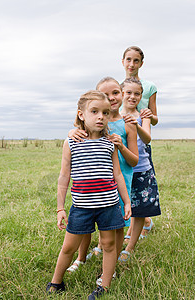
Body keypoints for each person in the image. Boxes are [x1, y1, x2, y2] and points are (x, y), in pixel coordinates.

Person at [46, 90, 132, 299]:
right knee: (69, 247)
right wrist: (60, 208)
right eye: (94, 111)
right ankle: (56, 282)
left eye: (105, 112)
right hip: (81, 207)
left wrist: (127, 202)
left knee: (109, 245)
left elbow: (118, 175)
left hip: (109, 206)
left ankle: (105, 285)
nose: (101, 116)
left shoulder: (110, 143)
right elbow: (64, 177)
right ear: (81, 114)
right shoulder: (71, 143)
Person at [67, 78, 138, 277]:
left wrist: (121, 145)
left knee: (117, 227)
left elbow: (134, 160)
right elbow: (80, 134)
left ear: (122, 94)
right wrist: (73, 131)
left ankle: (110, 267)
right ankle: (81, 257)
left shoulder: (128, 123)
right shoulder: (93, 120)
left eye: (115, 92)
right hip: (95, 182)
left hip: (121, 178)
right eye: (105, 95)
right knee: (86, 223)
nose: (111, 98)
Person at [118, 77, 161, 261]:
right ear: (121, 94)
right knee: (120, 208)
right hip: (122, 171)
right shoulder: (115, 115)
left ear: (141, 96)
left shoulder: (143, 115)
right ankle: (110, 244)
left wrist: (136, 123)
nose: (132, 96)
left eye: (137, 94)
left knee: (139, 211)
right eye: (128, 93)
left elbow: (147, 139)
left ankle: (129, 248)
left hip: (142, 170)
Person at [122, 46, 158, 239]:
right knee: (127, 187)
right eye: (128, 60)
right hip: (124, 141)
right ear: (123, 61)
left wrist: (145, 118)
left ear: (141, 64)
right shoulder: (119, 86)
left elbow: (155, 117)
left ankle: (137, 228)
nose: (132, 64)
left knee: (139, 186)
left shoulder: (149, 87)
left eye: (136, 61)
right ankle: (140, 222)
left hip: (141, 136)